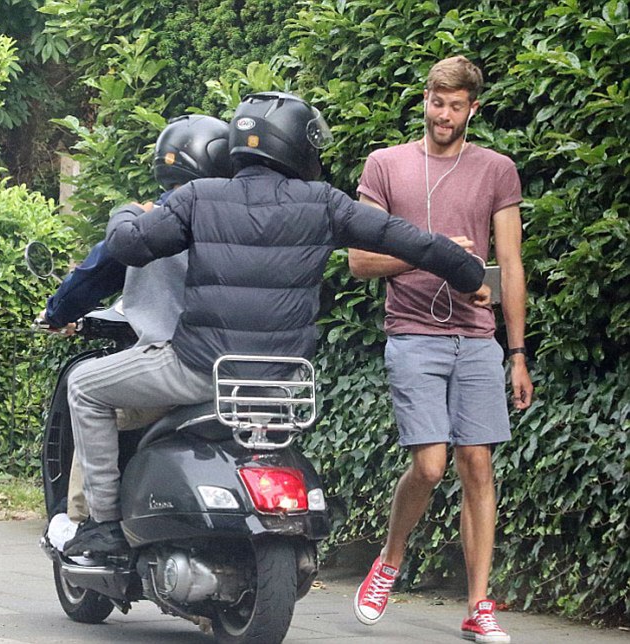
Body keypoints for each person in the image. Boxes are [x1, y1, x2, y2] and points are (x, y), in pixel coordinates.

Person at [62, 91, 489, 558]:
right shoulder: (324, 203)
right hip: (283, 382)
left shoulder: (199, 196)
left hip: (199, 371)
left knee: (84, 385)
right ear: (294, 146)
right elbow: (411, 241)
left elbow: (128, 246)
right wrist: (470, 277)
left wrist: (126, 211)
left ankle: (104, 524)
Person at [349, 56, 534, 644]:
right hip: (412, 334)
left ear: (472, 109)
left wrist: (517, 352)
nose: (444, 115)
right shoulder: (385, 165)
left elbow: (511, 264)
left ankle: (479, 605)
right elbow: (359, 261)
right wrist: (431, 252)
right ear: (424, 99)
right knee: (430, 465)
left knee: (477, 463)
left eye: (456, 106)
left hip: (477, 337)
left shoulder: (497, 170)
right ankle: (390, 558)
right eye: (436, 102)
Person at [39, 115, 232, 526]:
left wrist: (57, 312)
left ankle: (90, 523)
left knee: (87, 394)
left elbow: (97, 272)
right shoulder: (252, 220)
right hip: (251, 371)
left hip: (180, 368)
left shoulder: (153, 220)